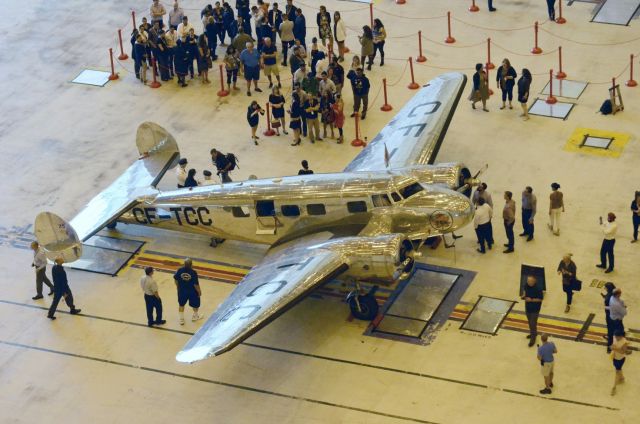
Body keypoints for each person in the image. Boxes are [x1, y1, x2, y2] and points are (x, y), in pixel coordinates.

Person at [173, 258, 202, 325]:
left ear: (184, 264)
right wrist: (199, 291)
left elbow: (176, 279)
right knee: (195, 304)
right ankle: (195, 316)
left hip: (182, 291)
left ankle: (181, 319)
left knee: (181, 304)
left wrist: (178, 287)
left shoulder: (180, 270)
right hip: (192, 292)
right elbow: (195, 284)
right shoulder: (193, 272)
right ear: (191, 265)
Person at [522, 275, 544, 347]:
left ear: (534, 281)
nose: (528, 282)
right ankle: (533, 333)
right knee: (530, 322)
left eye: (530, 281)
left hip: (535, 309)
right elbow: (525, 290)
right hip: (528, 307)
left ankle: (533, 338)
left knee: (532, 323)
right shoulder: (526, 285)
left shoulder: (538, 289)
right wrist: (524, 295)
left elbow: (540, 299)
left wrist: (531, 300)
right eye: (528, 281)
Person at [610, 330, 629, 396]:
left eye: (617, 337)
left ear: (621, 336)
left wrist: (614, 348)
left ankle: (614, 387)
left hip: (620, 359)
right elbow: (613, 343)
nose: (615, 338)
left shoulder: (624, 342)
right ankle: (622, 378)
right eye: (615, 336)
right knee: (618, 369)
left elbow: (623, 351)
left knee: (617, 371)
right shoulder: (614, 337)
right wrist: (612, 346)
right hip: (615, 357)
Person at [602, 282, 617, 352]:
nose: (605, 288)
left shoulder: (608, 298)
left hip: (610, 316)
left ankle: (609, 347)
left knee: (610, 330)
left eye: (605, 287)